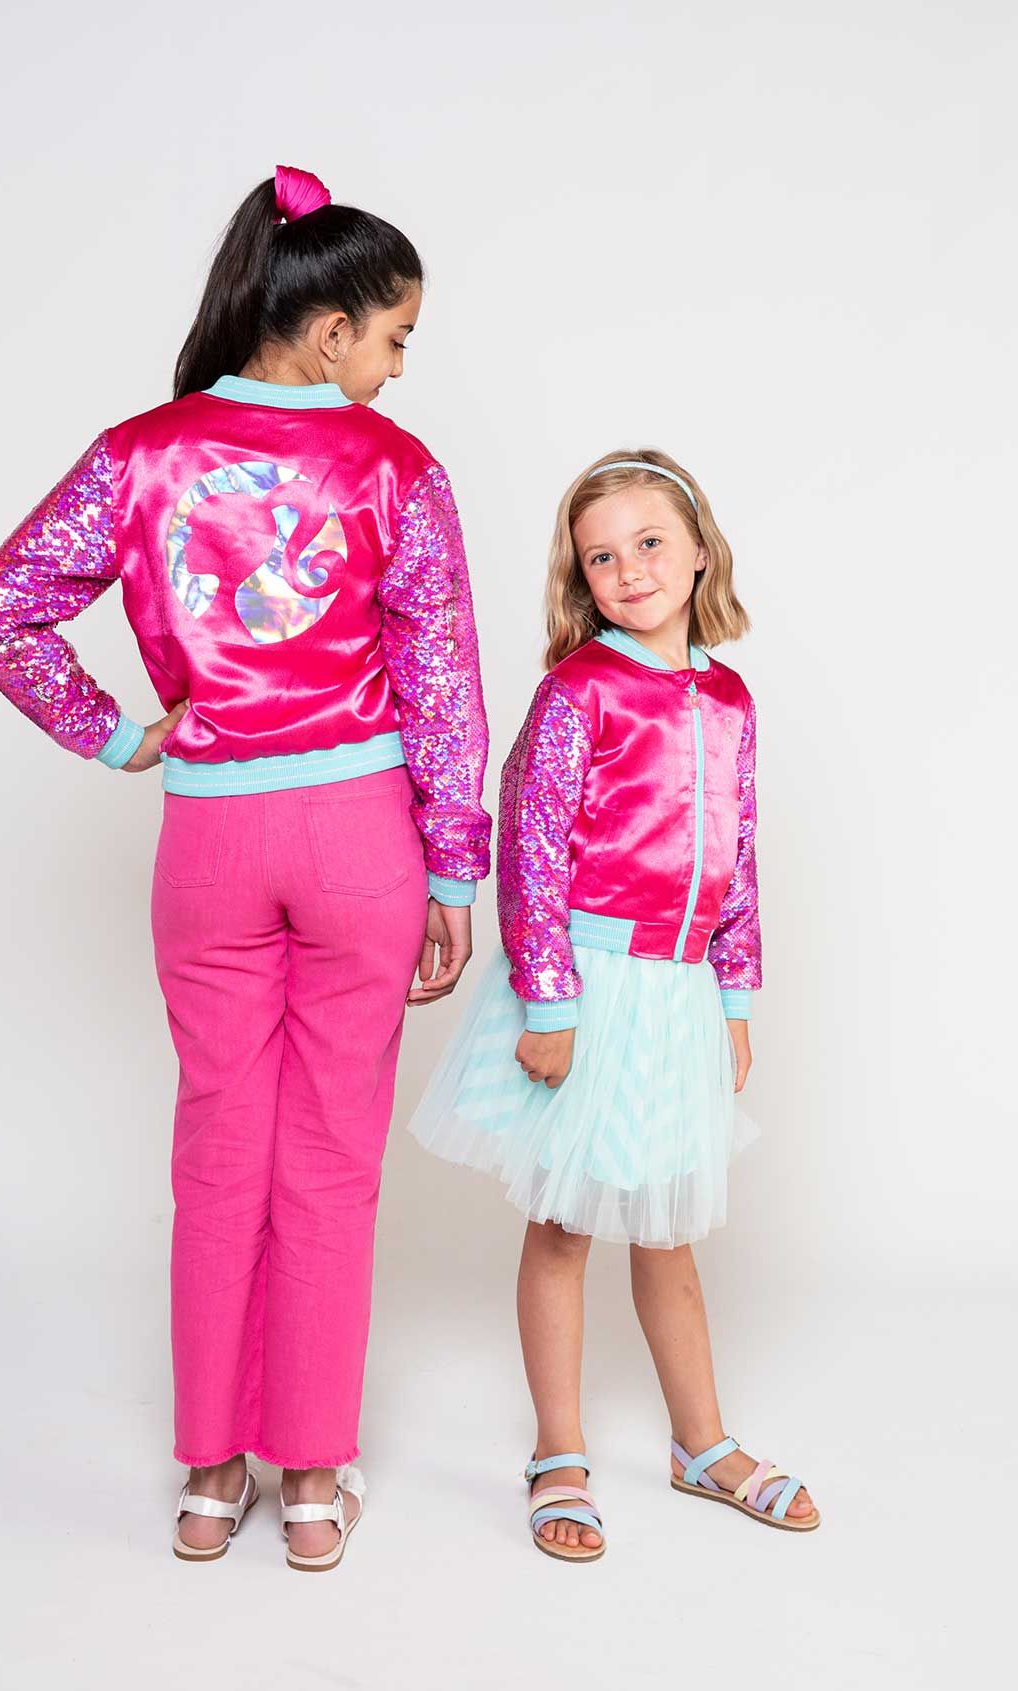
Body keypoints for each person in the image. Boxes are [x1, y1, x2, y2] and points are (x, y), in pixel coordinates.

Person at [0, 165, 491, 1572]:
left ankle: (207, 1479)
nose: (395, 367)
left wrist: (118, 731)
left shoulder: (138, 452)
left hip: (210, 840)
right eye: (394, 338)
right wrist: (453, 870)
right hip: (358, 836)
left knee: (217, 1149)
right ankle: (308, 1485)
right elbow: (441, 682)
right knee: (330, 1159)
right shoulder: (396, 468)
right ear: (330, 329)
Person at [408, 448, 817, 1560]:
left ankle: (700, 1441)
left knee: (668, 1226)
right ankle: (557, 1450)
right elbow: (530, 848)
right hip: (587, 985)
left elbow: (737, 854)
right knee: (563, 1223)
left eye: (647, 543)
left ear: (698, 550)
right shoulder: (578, 690)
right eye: (600, 556)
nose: (628, 569)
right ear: (578, 578)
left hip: (679, 992)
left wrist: (733, 1000)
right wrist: (547, 1004)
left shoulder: (728, 699)